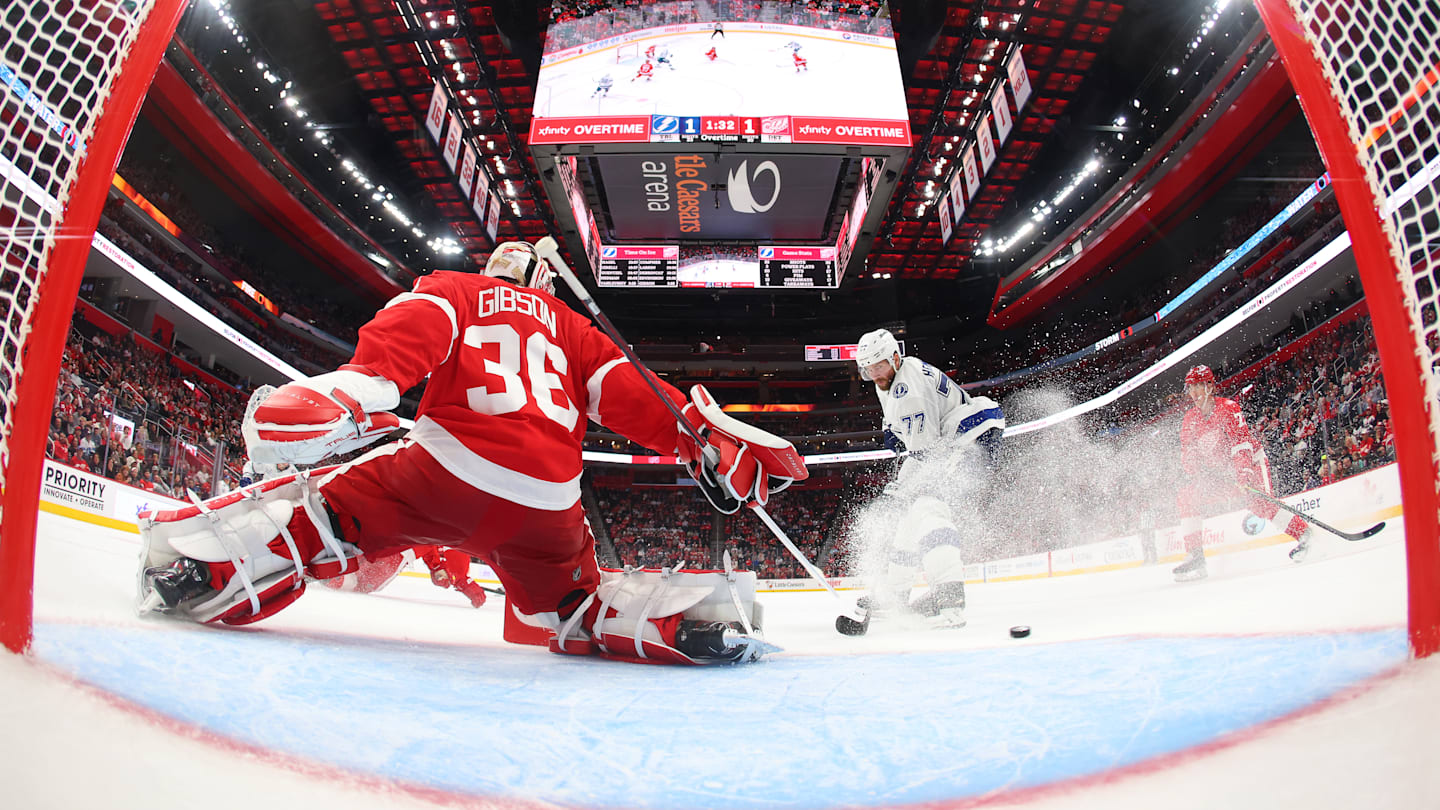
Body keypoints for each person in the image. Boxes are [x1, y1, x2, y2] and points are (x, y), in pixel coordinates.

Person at [136, 241, 807, 665]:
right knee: (571, 605)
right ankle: (685, 618)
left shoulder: (456, 289)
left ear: (492, 269)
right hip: (547, 502)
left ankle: (200, 568)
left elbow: (408, 335)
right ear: (544, 278)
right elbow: (636, 399)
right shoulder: (576, 330)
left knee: (322, 512)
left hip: (443, 467)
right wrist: (700, 442)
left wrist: (356, 387)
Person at [841, 328, 1005, 633]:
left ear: (894, 357)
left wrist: (901, 486)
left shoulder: (908, 391)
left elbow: (926, 453)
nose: (874, 374)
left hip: (968, 440)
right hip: (953, 440)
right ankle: (895, 596)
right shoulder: (896, 375)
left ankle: (951, 601)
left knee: (928, 508)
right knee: (909, 516)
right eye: (868, 369)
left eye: (879, 366)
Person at [1172, 365, 1311, 582]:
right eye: (1191, 388)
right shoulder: (1190, 419)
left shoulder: (1228, 408)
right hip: (1222, 474)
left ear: (1210, 385)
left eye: (1199, 386)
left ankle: (1305, 535)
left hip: (1251, 464)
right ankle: (1196, 558)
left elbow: (1241, 444)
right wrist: (1194, 467)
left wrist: (1244, 473)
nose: (1195, 393)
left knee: (1262, 503)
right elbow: (1188, 453)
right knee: (1187, 497)